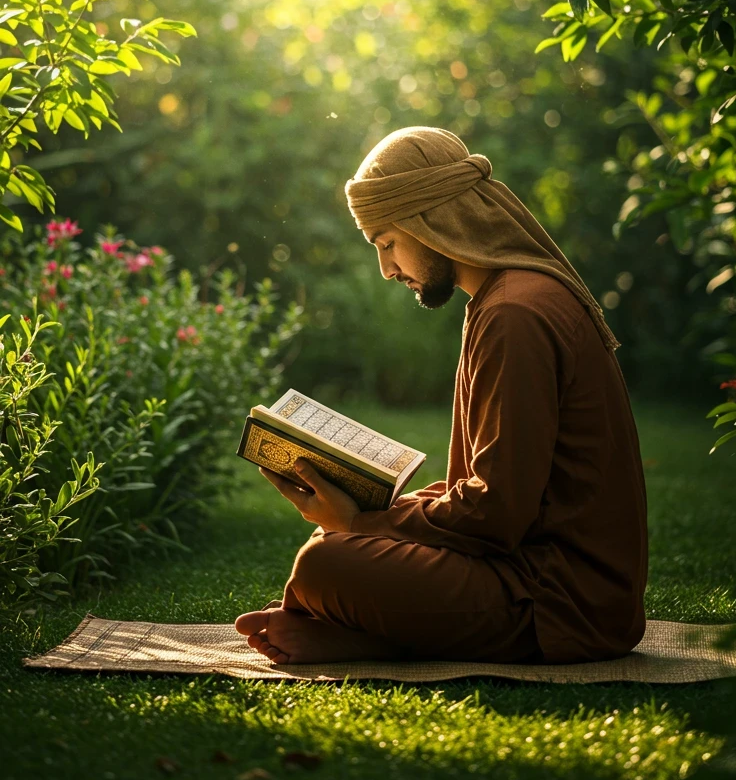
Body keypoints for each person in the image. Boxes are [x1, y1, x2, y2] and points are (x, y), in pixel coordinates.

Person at [235, 126, 648, 666]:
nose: (386, 270)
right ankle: (355, 638)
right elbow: (501, 495)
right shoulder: (501, 300)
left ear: (429, 220)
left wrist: (359, 523)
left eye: (387, 244)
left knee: (326, 563)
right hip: (538, 575)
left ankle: (355, 633)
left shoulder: (513, 314)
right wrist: (378, 510)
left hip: (560, 602)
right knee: (328, 552)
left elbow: (495, 518)